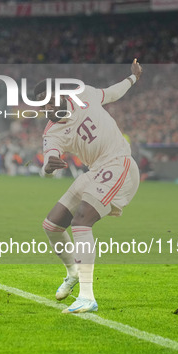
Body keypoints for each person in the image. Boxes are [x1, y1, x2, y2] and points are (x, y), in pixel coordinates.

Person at [38, 59, 143, 314]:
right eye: (43, 104)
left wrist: (133, 78)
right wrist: (48, 166)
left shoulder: (83, 93)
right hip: (96, 170)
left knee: (82, 221)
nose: (48, 106)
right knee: (51, 225)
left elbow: (112, 93)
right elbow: (48, 163)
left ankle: (87, 296)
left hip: (119, 163)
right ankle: (73, 272)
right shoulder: (51, 132)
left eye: (50, 99)